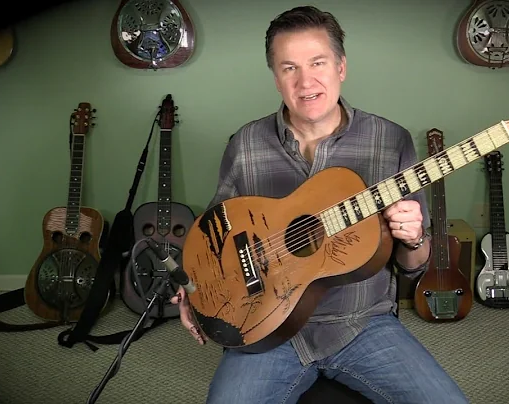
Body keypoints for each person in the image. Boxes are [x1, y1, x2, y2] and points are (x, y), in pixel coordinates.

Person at [169, 5, 469, 404]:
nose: (305, 81)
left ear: (341, 67)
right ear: (276, 79)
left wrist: (413, 240)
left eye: (318, 62)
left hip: (361, 324)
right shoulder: (245, 144)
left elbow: (413, 270)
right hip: (266, 325)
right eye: (289, 67)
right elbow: (214, 236)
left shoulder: (390, 140)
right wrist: (195, 289)